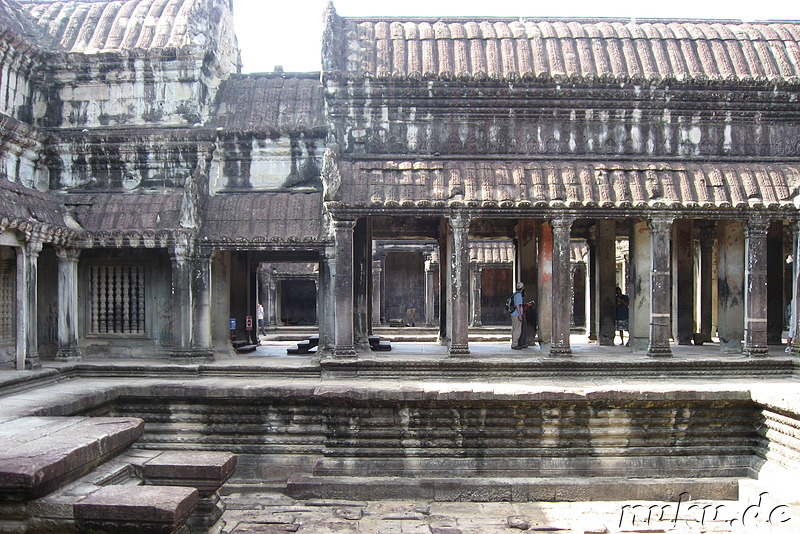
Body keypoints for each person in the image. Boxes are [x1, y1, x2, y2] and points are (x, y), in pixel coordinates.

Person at [511, 282, 527, 349]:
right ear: (522, 287)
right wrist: (520, 315)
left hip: (513, 314)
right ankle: (515, 344)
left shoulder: (515, 294)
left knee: (515, 328)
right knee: (517, 329)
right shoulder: (518, 295)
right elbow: (518, 306)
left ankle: (514, 343)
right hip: (516, 314)